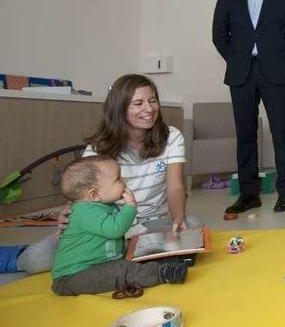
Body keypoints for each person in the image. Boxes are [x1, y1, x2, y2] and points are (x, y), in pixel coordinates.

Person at [17, 74, 201, 274]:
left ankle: (127, 252)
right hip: (104, 226)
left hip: (150, 223)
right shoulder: (98, 148)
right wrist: (69, 214)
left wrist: (178, 220)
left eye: (153, 101)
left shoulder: (171, 136)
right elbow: (82, 195)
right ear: (120, 109)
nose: (149, 109)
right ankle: (17, 255)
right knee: (35, 261)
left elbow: (175, 186)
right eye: (138, 103)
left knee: (192, 224)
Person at [212, 0, 285, 214]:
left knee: (281, 133)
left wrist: (281, 58)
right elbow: (219, 35)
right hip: (241, 73)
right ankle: (249, 193)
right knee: (245, 135)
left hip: (275, 72)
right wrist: (237, 57)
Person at [51, 156, 187, 296]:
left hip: (96, 266)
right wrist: (130, 207)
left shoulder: (101, 205)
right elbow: (115, 230)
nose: (125, 182)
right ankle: (160, 273)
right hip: (73, 276)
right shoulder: (86, 211)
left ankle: (159, 264)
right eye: (118, 179)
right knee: (122, 271)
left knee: (131, 259)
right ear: (94, 193)